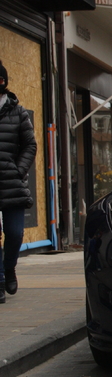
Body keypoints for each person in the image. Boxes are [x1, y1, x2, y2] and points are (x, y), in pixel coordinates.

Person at [0, 60, 37, 303]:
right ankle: (0, 280)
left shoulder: (18, 112)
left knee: (14, 233)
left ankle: (9, 266)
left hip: (10, 182)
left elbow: (30, 145)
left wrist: (19, 169)